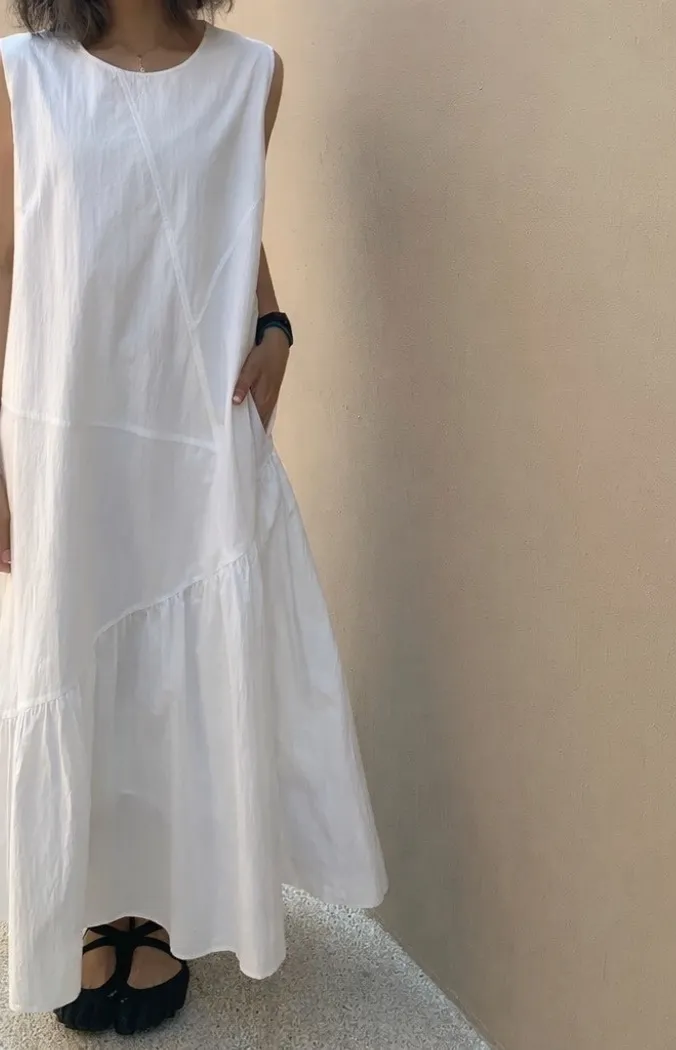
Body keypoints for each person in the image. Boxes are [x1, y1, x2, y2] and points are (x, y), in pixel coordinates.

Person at [0, 0, 387, 1036]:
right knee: (74, 649)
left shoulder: (252, 73)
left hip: (192, 424)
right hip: (65, 427)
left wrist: (274, 320)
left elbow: (218, 214)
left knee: (186, 665)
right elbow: (6, 253)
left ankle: (161, 901)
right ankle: (88, 904)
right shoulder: (21, 74)